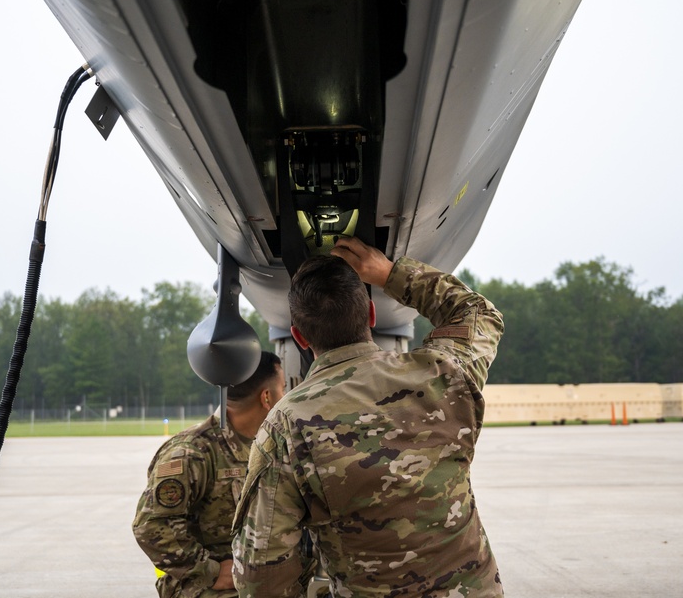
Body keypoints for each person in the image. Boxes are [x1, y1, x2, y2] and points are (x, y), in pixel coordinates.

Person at [231, 236, 505, 597]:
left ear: (298, 336)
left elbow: (261, 573)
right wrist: (391, 274)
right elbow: (479, 314)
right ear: (372, 316)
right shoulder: (442, 373)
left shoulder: (287, 424)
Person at [133, 352, 288, 597]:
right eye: (283, 389)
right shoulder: (191, 453)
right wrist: (210, 571)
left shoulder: (267, 444)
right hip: (208, 588)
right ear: (267, 397)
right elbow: (151, 526)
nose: (286, 397)